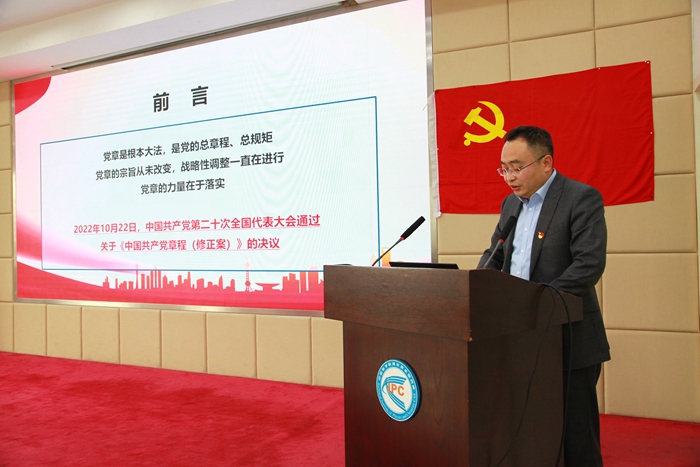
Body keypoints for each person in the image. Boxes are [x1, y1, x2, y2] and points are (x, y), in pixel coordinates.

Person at [477, 126, 611, 467]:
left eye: (517, 167)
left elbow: (588, 264)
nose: (509, 176)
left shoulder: (580, 198)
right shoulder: (511, 204)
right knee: (530, 431)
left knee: (577, 438)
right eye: (504, 168)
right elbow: (496, 254)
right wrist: (475, 285)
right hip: (519, 337)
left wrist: (536, 303)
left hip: (568, 338)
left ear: (546, 162)